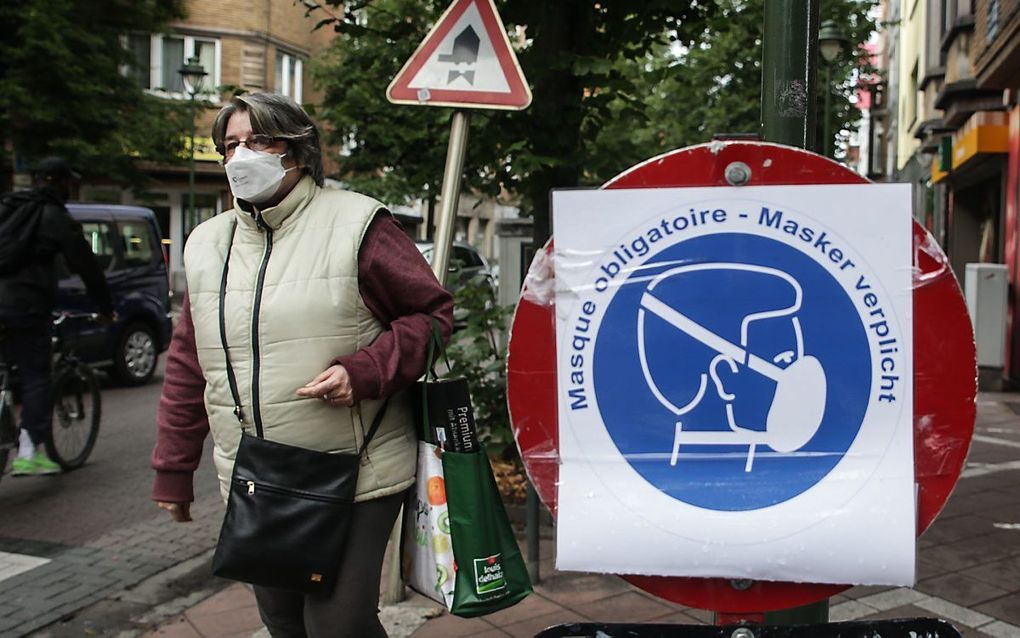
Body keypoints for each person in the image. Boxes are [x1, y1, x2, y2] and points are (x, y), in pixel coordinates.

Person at [151, 92, 454, 638]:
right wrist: (173, 469)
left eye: (258, 140)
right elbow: (188, 364)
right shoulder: (205, 245)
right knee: (283, 620)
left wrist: (364, 371)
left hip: (356, 466)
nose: (242, 156)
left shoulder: (358, 224)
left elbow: (431, 316)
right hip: (257, 474)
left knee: (337, 624)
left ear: (297, 149)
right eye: (231, 145)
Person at [0, 157, 114, 476]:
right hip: (26, 308)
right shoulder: (54, 217)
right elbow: (86, 266)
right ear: (62, 183)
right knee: (37, 375)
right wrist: (105, 308)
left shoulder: (7, 205)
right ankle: (27, 450)